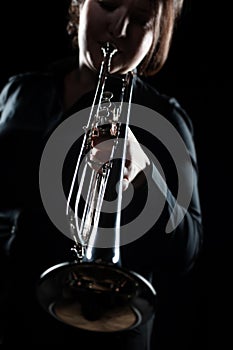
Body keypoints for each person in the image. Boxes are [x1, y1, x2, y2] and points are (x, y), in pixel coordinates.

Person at [0, 0, 203, 348]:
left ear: (157, 38)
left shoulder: (166, 118)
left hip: (108, 334)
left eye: (140, 20)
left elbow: (189, 249)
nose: (119, 29)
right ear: (80, 5)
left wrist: (145, 173)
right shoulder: (20, 92)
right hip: (13, 322)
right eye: (108, 4)